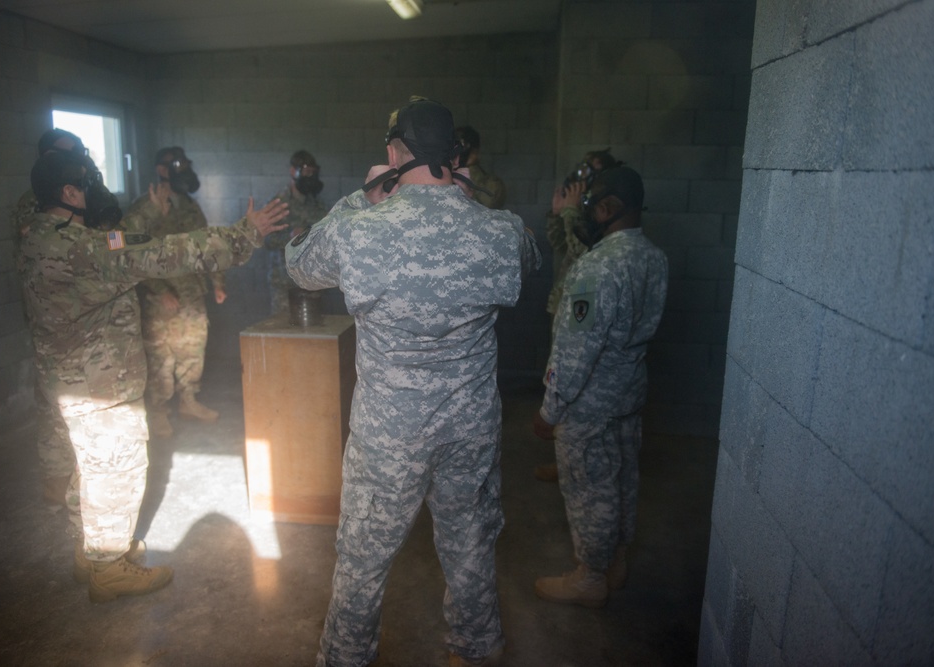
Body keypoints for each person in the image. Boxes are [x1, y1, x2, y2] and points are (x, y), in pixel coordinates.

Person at [286, 98, 541, 667]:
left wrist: (362, 199)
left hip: (388, 435)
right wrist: (467, 200)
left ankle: (346, 657)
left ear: (394, 152)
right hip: (469, 428)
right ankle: (477, 650)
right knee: (470, 546)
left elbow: (299, 267)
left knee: (363, 557)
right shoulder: (500, 231)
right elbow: (531, 260)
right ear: (456, 155)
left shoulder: (359, 229)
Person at [19, 149, 287, 602]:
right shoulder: (82, 250)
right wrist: (246, 233)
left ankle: (92, 551)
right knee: (115, 469)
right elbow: (162, 253)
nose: (93, 193)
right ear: (68, 193)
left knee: (88, 468)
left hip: (69, 380)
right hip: (99, 384)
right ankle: (109, 568)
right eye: (85, 185)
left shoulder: (38, 236)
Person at [532, 165, 668, 608]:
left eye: (591, 206)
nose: (587, 213)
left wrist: (550, 409)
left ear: (609, 209)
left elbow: (576, 349)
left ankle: (590, 576)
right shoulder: (653, 256)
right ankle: (616, 562)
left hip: (589, 400)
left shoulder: (599, 265)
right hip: (628, 391)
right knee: (622, 477)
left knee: (591, 486)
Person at [124, 147, 223, 438]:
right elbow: (132, 256)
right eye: (177, 165)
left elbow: (207, 245)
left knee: (193, 353)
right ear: (162, 170)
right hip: (162, 301)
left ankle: (189, 402)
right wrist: (157, 291)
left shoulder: (191, 207)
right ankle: (157, 412)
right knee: (161, 359)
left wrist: (218, 282)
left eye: (186, 164)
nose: (184, 170)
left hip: (192, 295)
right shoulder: (145, 209)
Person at [11, 129, 86, 511]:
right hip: (52, 315)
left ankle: (71, 479)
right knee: (53, 404)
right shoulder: (34, 203)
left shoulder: (83, 196)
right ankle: (56, 481)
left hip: (80, 316)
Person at [534, 148, 618, 483]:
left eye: (592, 173)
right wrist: (558, 215)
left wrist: (570, 216)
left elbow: (585, 255)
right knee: (561, 381)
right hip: (565, 303)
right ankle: (562, 455)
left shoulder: (608, 214)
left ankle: (571, 459)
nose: (584, 180)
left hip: (586, 315)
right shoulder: (584, 211)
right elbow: (562, 245)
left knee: (575, 385)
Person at [263, 150, 328, 315]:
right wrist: (290, 237)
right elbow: (266, 241)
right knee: (284, 334)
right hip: (284, 285)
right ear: (294, 171)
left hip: (312, 284)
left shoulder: (317, 205)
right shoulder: (278, 204)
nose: (310, 177)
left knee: (314, 337)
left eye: (313, 173)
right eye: (307, 172)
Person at [454, 125, 506, 209]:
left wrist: (469, 195)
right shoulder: (444, 174)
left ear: (475, 151)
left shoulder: (492, 184)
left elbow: (489, 208)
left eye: (463, 147)